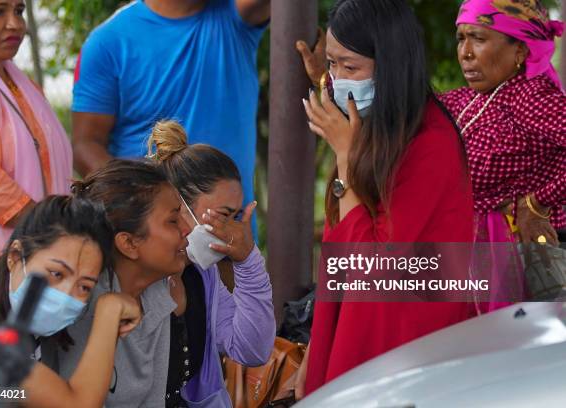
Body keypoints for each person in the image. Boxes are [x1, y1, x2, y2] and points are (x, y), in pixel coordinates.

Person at [296, 0, 476, 397]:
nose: (338, 78)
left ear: (391, 64)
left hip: (399, 345)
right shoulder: (373, 126)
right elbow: (340, 247)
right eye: (331, 64)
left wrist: (344, 156)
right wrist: (316, 348)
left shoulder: (430, 144)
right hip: (353, 322)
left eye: (351, 67)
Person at [71, 0, 271, 237]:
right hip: (151, 242)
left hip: (228, 240)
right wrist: (141, 200)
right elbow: (85, 144)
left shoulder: (234, 16)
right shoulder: (107, 41)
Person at [439, 0, 565, 311]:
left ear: (520, 51)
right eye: (461, 38)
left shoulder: (531, 97)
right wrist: (332, 79)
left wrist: (539, 201)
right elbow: (399, 114)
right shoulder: (468, 100)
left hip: (532, 262)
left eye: (479, 39)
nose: (465, 52)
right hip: (481, 258)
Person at [43, 159, 191, 408]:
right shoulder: (83, 303)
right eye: (173, 220)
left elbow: (153, 402)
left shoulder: (156, 292)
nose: (187, 229)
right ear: (129, 244)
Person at [147, 120, 275, 406]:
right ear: (178, 204)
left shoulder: (203, 276)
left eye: (236, 217)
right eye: (223, 215)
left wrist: (248, 261)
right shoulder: (137, 277)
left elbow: (251, 349)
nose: (232, 229)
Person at [0, 195, 142, 407]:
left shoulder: (37, 339)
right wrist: (110, 309)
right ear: (15, 256)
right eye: (56, 274)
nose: (66, 295)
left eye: (84, 287)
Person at [0, 0, 73, 272]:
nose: (15, 23)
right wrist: (53, 225)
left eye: (19, 11)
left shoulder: (18, 82)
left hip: (43, 246)